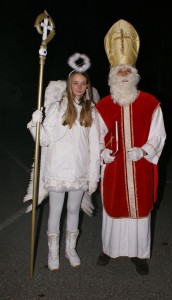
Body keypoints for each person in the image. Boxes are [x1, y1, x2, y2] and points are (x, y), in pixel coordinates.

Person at [95, 19, 166, 275]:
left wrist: (145, 150)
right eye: (119, 71)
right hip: (114, 168)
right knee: (113, 207)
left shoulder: (150, 103)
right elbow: (96, 135)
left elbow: (159, 134)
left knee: (139, 209)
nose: (123, 75)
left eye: (127, 71)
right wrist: (102, 152)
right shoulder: (102, 105)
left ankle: (139, 255)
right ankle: (109, 250)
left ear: (134, 74)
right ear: (112, 75)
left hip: (139, 167)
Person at [24, 53, 100, 271]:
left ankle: (70, 249)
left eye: (83, 83)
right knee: (55, 211)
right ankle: (53, 252)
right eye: (75, 83)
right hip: (57, 170)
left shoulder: (92, 111)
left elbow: (95, 146)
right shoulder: (57, 109)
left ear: (87, 87)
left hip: (79, 172)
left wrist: (93, 176)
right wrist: (35, 124)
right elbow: (45, 140)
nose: (79, 86)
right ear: (69, 84)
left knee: (74, 210)